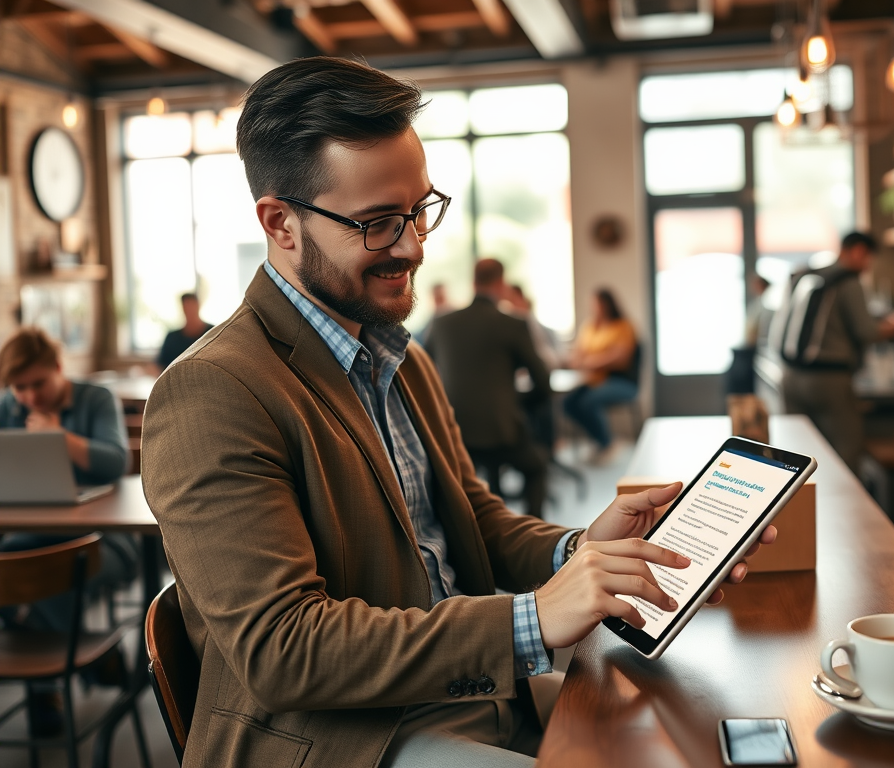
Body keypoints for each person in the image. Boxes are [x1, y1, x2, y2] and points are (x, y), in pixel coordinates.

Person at [140, 56, 773, 768]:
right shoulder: (212, 391)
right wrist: (533, 618)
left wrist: (585, 552)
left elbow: (470, 517)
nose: (412, 246)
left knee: (679, 735)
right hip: (341, 741)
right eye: (379, 223)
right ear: (280, 223)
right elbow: (284, 650)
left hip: (462, 695)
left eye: (419, 210)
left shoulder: (398, 356)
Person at [0, 327, 137, 732]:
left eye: (38, 383)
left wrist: (59, 438)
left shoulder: (95, 399)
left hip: (104, 541)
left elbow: (116, 462)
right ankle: (95, 658)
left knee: (32, 574)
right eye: (18, 387)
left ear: (59, 368)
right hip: (34, 536)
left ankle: (46, 694)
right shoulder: (8, 406)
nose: (29, 396)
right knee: (17, 567)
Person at [427, 259, 551, 518]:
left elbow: (424, 370)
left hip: (455, 429)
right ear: (501, 285)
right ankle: (535, 533)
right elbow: (542, 380)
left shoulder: (442, 323)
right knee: (537, 467)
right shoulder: (512, 324)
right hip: (500, 429)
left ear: (473, 283)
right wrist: (519, 401)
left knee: (475, 473)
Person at [772, 231, 894, 470]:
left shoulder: (808, 276)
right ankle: (848, 507)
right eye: (867, 259)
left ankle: (803, 504)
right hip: (827, 380)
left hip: (790, 376)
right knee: (846, 450)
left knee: (798, 454)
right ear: (857, 252)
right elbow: (866, 331)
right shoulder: (849, 282)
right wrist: (893, 328)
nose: (866, 266)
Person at [563, 288, 639, 465]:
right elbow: (579, 353)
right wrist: (575, 361)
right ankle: (600, 439)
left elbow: (620, 358)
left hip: (620, 381)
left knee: (589, 401)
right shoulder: (589, 327)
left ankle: (606, 443)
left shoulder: (623, 326)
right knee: (568, 403)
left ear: (607, 304)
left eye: (597, 303)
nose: (594, 307)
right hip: (593, 381)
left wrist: (590, 363)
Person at [155, 292, 212, 371]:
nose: (189, 311)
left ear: (198, 306)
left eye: (192, 306)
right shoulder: (172, 338)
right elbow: (161, 366)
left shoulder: (213, 333)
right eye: (186, 307)